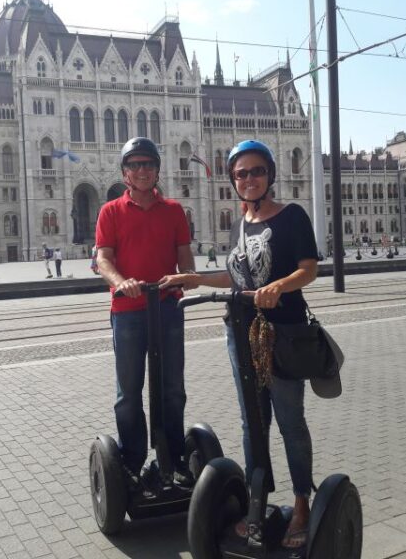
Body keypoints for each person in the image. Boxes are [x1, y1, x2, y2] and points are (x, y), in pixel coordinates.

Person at [160, 139, 319, 550]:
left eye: (256, 171)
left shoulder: (292, 217)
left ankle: (302, 502)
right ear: (234, 180)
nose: (248, 179)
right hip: (240, 332)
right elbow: (238, 277)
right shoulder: (240, 223)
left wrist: (277, 287)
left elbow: (308, 269)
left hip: (281, 332)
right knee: (252, 422)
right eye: (241, 174)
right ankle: (257, 503)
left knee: (289, 421)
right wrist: (194, 280)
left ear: (269, 174)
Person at [95, 136, 196, 490]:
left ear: (156, 170)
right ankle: (133, 460)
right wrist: (122, 282)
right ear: (125, 172)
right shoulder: (110, 211)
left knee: (172, 390)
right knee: (129, 392)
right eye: (134, 165)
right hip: (128, 312)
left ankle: (174, 457)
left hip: (166, 309)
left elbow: (186, 262)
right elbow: (103, 259)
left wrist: (183, 278)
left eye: (148, 164)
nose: (142, 171)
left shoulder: (173, 211)